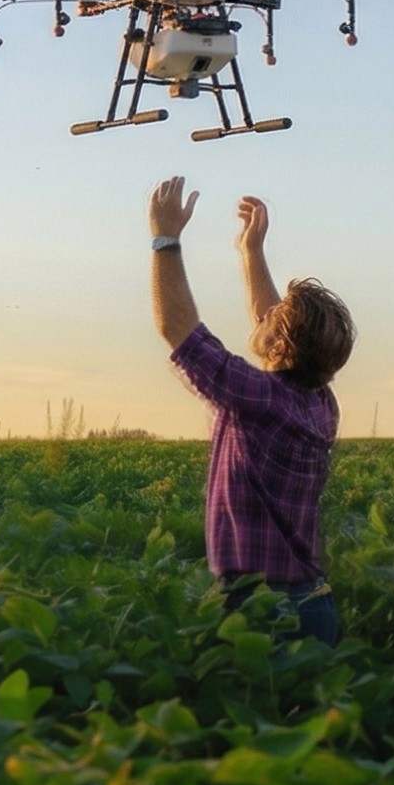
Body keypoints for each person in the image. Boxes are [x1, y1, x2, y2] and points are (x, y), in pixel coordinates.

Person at [147, 175, 353, 646]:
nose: (264, 314)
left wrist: (165, 239)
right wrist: (251, 252)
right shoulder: (320, 402)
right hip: (313, 604)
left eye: (275, 318)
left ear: (280, 344)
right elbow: (272, 324)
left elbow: (177, 327)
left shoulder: (258, 398)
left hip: (262, 609)